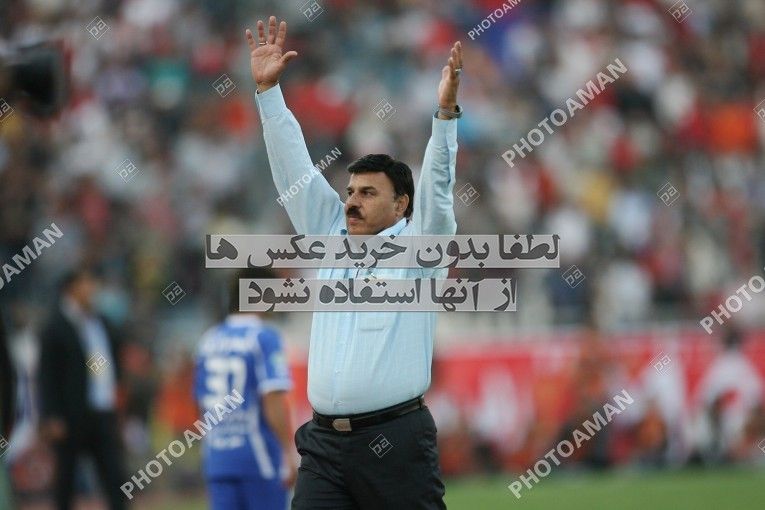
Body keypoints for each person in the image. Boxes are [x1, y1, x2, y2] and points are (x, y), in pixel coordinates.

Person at [246, 16, 461, 508]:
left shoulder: (420, 251)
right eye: (350, 191)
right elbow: (294, 173)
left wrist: (445, 116)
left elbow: (438, 191)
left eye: (368, 193)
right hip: (323, 446)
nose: (352, 202)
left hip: (395, 442)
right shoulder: (330, 236)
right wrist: (269, 95)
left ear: (401, 205)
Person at [194, 268, 296, 510]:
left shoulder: (208, 339)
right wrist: (288, 451)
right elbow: (272, 399)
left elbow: (199, 401)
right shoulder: (264, 337)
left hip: (217, 458)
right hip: (258, 458)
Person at [38, 268, 127, 510]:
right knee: (66, 478)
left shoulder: (100, 322)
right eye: (86, 283)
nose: (92, 289)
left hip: (102, 409)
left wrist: (115, 395)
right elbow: (47, 375)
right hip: (71, 414)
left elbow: (111, 360)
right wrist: (52, 415)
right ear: (71, 289)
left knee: (115, 475)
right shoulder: (55, 327)